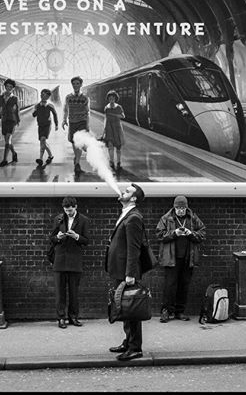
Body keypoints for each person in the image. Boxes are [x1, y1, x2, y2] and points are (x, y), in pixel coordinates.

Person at [106, 183, 146, 361]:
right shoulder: (127, 214)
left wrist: (130, 273)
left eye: (128, 191)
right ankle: (128, 341)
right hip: (120, 270)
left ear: (134, 198)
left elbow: (134, 248)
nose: (123, 191)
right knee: (125, 307)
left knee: (132, 308)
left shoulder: (134, 217)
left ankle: (135, 347)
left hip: (126, 272)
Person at [156, 195, 206, 323]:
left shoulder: (193, 218)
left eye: (183, 208)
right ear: (174, 206)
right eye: (178, 208)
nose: (180, 210)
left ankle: (180, 311)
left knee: (184, 285)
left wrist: (191, 234)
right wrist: (174, 234)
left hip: (187, 258)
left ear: (186, 207)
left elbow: (202, 232)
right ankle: (166, 311)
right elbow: (159, 235)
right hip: (171, 258)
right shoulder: (166, 218)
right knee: (170, 286)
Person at [48, 196, 90, 328]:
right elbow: (52, 238)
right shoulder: (58, 218)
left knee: (74, 292)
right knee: (60, 292)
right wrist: (58, 237)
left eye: (70, 210)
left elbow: (86, 240)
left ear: (75, 207)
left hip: (75, 260)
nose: (68, 213)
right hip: (60, 259)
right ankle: (61, 318)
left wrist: (76, 236)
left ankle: (73, 317)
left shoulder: (84, 220)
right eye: (66, 210)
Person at [61, 76, 91, 175]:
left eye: (77, 83)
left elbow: (87, 112)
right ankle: (77, 157)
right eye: (74, 84)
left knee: (79, 142)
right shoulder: (68, 97)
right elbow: (66, 109)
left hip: (82, 121)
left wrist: (87, 125)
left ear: (81, 84)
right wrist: (64, 120)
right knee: (74, 142)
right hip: (72, 122)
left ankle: (77, 163)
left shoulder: (85, 98)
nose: (75, 85)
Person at [0, 78, 20, 167]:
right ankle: (14, 153)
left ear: (13, 88)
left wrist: (18, 120)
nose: (9, 88)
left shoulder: (15, 98)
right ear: (5, 86)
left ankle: (4, 159)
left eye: (10, 87)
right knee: (7, 141)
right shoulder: (2, 97)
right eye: (7, 86)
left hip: (12, 121)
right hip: (4, 120)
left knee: (7, 141)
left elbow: (17, 110)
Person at [101, 90, 126, 172]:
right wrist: (104, 131)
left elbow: (123, 116)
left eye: (113, 98)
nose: (111, 99)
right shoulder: (106, 108)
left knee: (118, 146)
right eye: (110, 98)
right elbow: (105, 119)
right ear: (108, 99)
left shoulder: (119, 107)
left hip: (117, 128)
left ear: (115, 98)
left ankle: (118, 162)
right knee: (110, 146)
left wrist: (115, 115)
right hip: (109, 128)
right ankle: (111, 162)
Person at [32, 88, 58, 166]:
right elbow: (34, 115)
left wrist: (56, 124)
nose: (42, 96)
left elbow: (55, 115)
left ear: (48, 96)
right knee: (42, 142)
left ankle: (40, 158)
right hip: (40, 125)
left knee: (43, 140)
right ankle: (50, 156)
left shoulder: (50, 105)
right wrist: (37, 108)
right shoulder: (37, 105)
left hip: (47, 125)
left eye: (44, 94)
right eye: (41, 94)